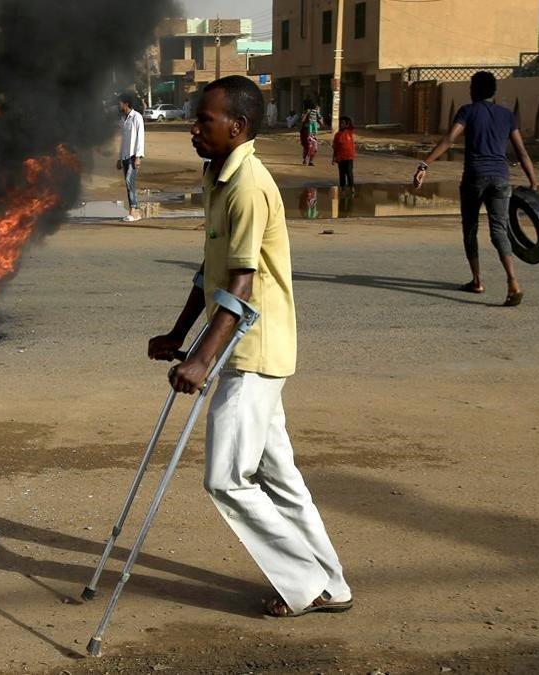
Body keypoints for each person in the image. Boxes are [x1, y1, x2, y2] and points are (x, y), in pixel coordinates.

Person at [150, 75, 353, 619]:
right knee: (279, 476)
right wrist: (178, 334)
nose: (193, 129)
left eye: (204, 121)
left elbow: (240, 284)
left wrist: (201, 359)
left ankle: (304, 584)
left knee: (224, 479)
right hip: (244, 347)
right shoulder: (218, 177)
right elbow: (209, 271)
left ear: (236, 127)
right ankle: (330, 581)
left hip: (253, 352)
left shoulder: (248, 186)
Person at [414, 71, 538, 307]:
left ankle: (477, 281)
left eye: (471, 86)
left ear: (474, 89)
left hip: (475, 178)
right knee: (499, 231)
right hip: (501, 179)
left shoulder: (468, 111)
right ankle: (513, 281)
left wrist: (424, 164)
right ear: (493, 91)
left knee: (470, 229)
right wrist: (533, 181)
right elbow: (522, 152)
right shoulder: (506, 115)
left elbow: (449, 140)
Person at [117, 93, 145, 222]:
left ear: (126, 103)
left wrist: (138, 156)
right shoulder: (124, 119)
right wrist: (119, 157)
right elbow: (123, 140)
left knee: (130, 181)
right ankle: (135, 212)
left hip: (134, 156)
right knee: (129, 184)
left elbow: (140, 138)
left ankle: (134, 210)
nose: (119, 105)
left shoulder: (137, 117)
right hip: (125, 156)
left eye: (120, 102)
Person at [331, 115, 356, 188]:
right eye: (340, 123)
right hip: (340, 157)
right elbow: (335, 147)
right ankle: (343, 189)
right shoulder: (337, 135)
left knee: (349, 172)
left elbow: (352, 125)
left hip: (349, 156)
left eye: (343, 123)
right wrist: (333, 158)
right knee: (342, 174)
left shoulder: (349, 132)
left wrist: (348, 118)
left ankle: (351, 188)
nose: (341, 125)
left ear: (346, 124)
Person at [298, 101, 321, 166]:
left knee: (315, 149)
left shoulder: (316, 114)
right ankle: (305, 159)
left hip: (313, 134)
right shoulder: (306, 113)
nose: (317, 109)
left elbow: (321, 122)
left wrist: (319, 117)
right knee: (308, 147)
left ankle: (310, 161)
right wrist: (307, 113)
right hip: (306, 133)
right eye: (317, 108)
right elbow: (302, 120)